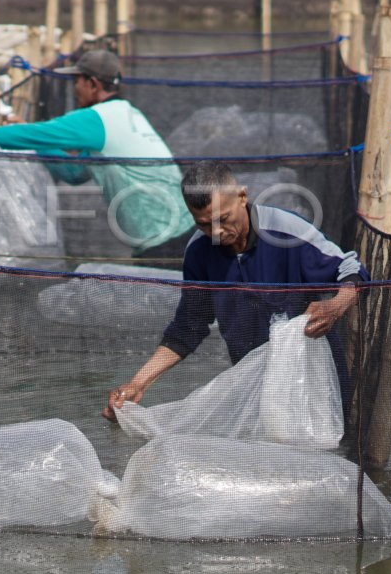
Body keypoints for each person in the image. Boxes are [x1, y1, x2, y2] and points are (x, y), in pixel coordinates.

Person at [103, 160, 367, 421]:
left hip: (314, 385)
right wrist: (138, 383)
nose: (216, 232)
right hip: (254, 386)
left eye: (223, 219)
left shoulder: (286, 232)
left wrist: (336, 306)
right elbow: (189, 327)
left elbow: (350, 268)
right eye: (204, 224)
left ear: (242, 196)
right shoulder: (198, 252)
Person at [0, 50, 193, 264]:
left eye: (76, 81)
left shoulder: (97, 118)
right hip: (181, 230)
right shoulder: (127, 112)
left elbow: (31, 134)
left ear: (93, 84)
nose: (74, 88)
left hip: (164, 241)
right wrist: (39, 147)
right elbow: (75, 173)